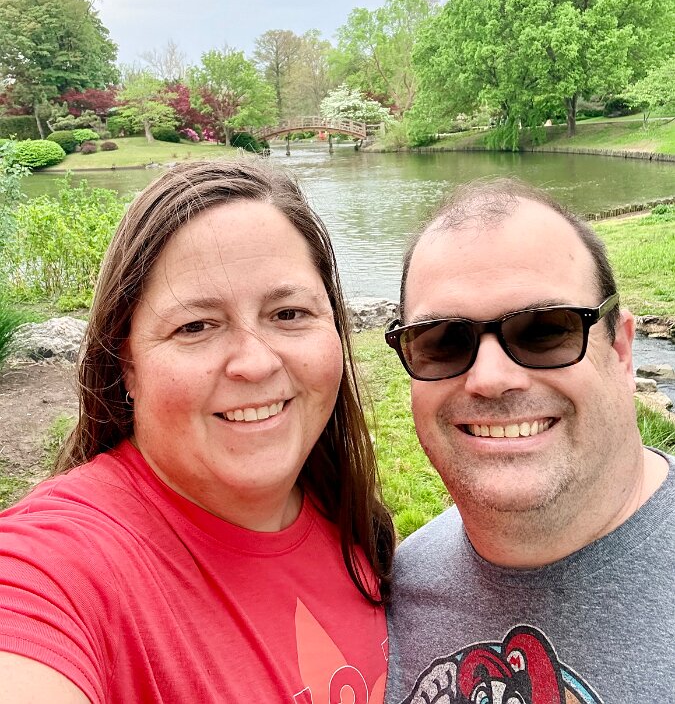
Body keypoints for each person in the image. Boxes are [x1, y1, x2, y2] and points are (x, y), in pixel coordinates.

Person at [0, 159, 394, 703]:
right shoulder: (55, 567)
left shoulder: (348, 521)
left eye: (288, 313)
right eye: (195, 326)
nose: (255, 363)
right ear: (127, 364)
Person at [383, 178, 675, 704]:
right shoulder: (394, 594)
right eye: (443, 341)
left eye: (544, 330)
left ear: (622, 351)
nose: (490, 378)